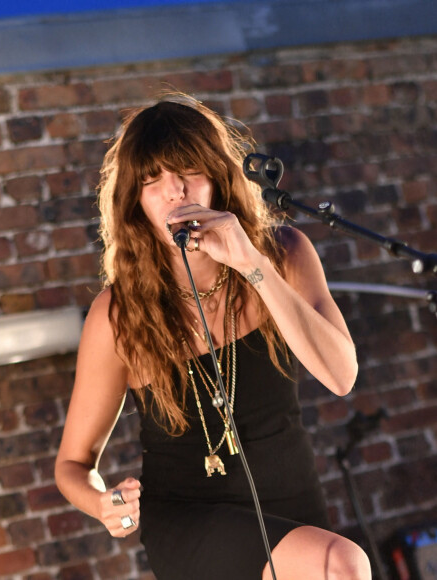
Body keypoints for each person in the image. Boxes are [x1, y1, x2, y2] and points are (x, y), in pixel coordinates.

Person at [55, 94, 372, 580]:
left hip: (292, 499)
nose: (175, 192)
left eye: (188, 171)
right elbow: (73, 463)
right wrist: (101, 502)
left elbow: (341, 375)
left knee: (329, 559)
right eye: (152, 181)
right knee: (341, 564)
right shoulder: (119, 313)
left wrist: (252, 265)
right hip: (189, 517)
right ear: (135, 202)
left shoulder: (284, 254)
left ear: (219, 178)